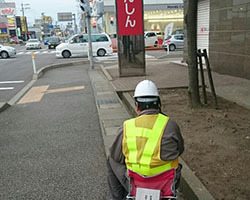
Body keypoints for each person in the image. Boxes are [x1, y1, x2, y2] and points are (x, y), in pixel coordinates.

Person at [107, 80, 184, 200]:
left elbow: (115, 155)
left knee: (111, 158)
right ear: (158, 103)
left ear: (136, 105)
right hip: (166, 185)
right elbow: (180, 150)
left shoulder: (127, 127)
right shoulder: (171, 125)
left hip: (135, 185)